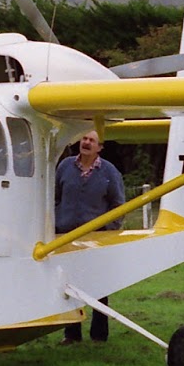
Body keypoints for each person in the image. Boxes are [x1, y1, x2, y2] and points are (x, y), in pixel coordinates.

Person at [53, 129, 126, 343]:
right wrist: (56, 222)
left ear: (99, 147)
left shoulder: (109, 172)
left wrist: (108, 230)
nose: (86, 142)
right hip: (66, 237)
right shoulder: (65, 166)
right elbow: (55, 197)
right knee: (68, 285)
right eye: (84, 138)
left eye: (92, 140)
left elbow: (118, 205)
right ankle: (71, 334)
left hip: (96, 239)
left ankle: (99, 335)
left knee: (99, 286)